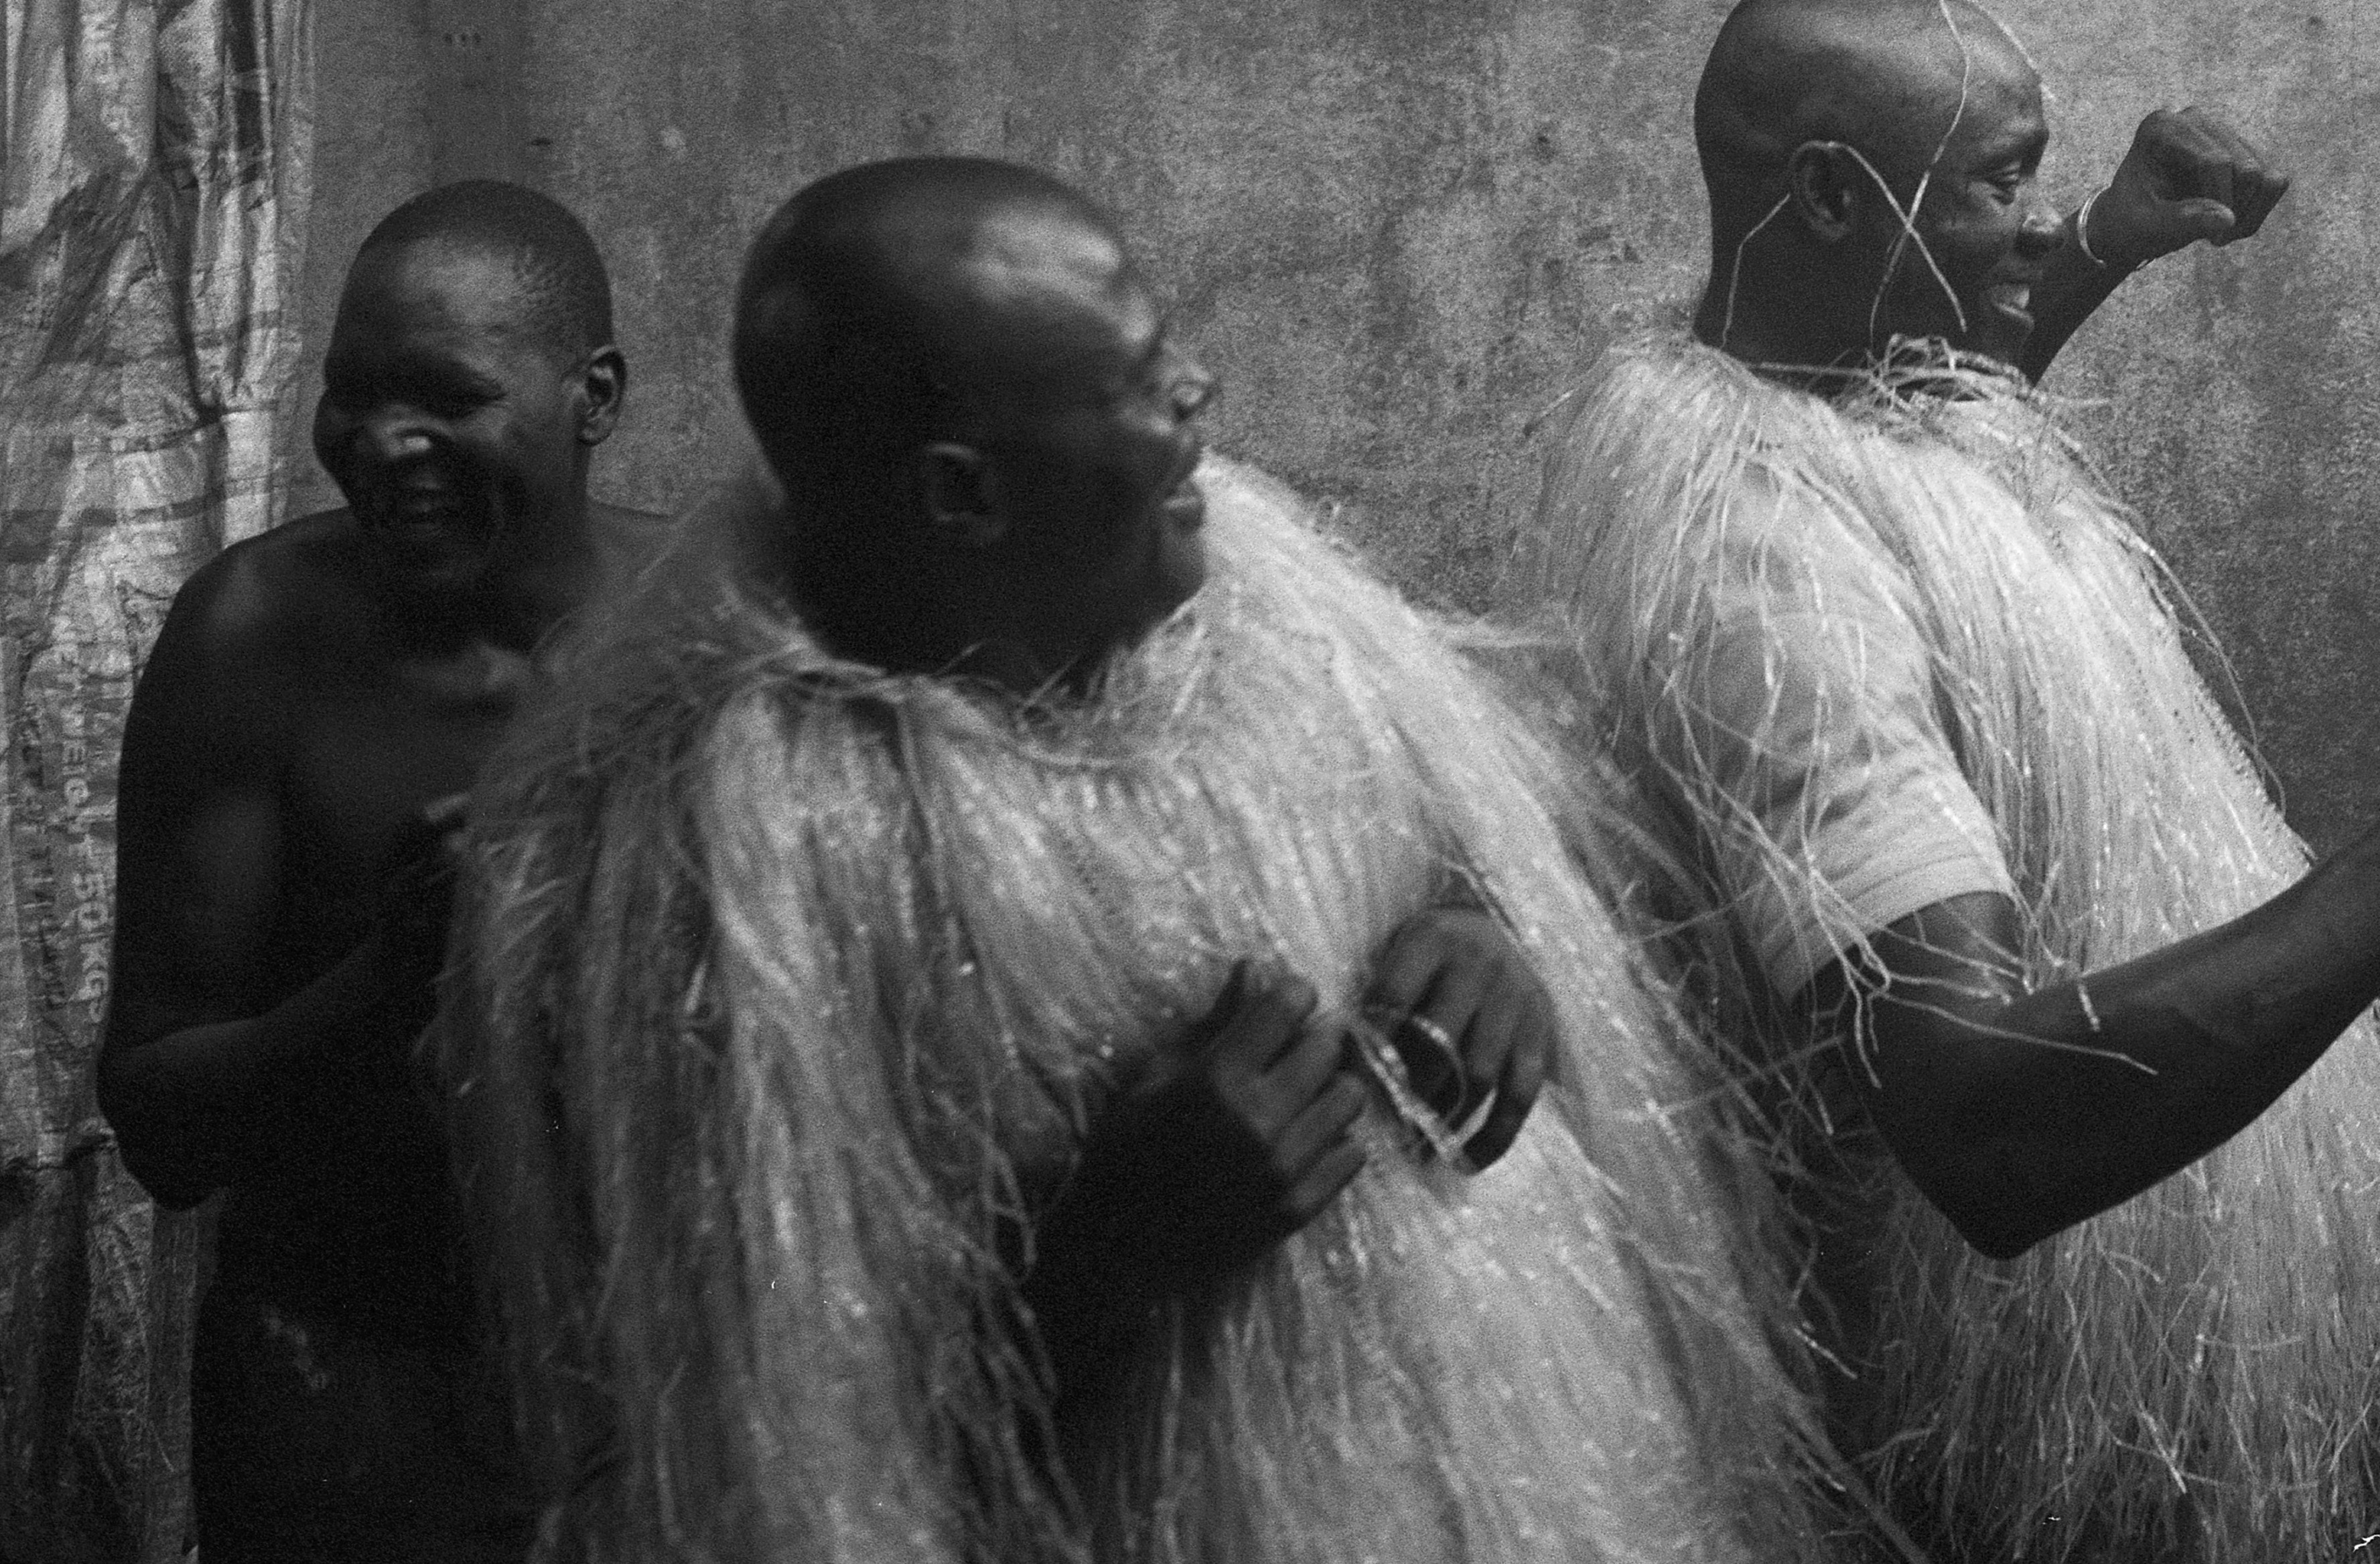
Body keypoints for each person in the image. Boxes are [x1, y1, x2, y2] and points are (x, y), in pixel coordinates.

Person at [437, 156, 1824, 1564]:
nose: (1198, 402)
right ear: (962, 493)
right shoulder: (732, 877)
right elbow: (748, 1464)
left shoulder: (1266, 599)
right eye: (1140, 379)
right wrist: (1101, 1259)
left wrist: (1480, 935)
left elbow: (1436, 839)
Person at [1521, 0, 2380, 1563]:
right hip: (1952, 1470)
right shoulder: (1758, 586)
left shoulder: (1803, 405)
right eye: (2006, 182)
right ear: (1835, 201)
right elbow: (1983, 1125)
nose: (2044, 217)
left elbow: (1919, 472)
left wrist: (2109, 241)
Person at [96, 182, 666, 1562]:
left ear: (592, 396)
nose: (383, 442)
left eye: (449, 398)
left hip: (653, 1383)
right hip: (342, 1387)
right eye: (351, 395)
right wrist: (394, 977)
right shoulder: (253, 640)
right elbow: (162, 1128)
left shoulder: (700, 640)